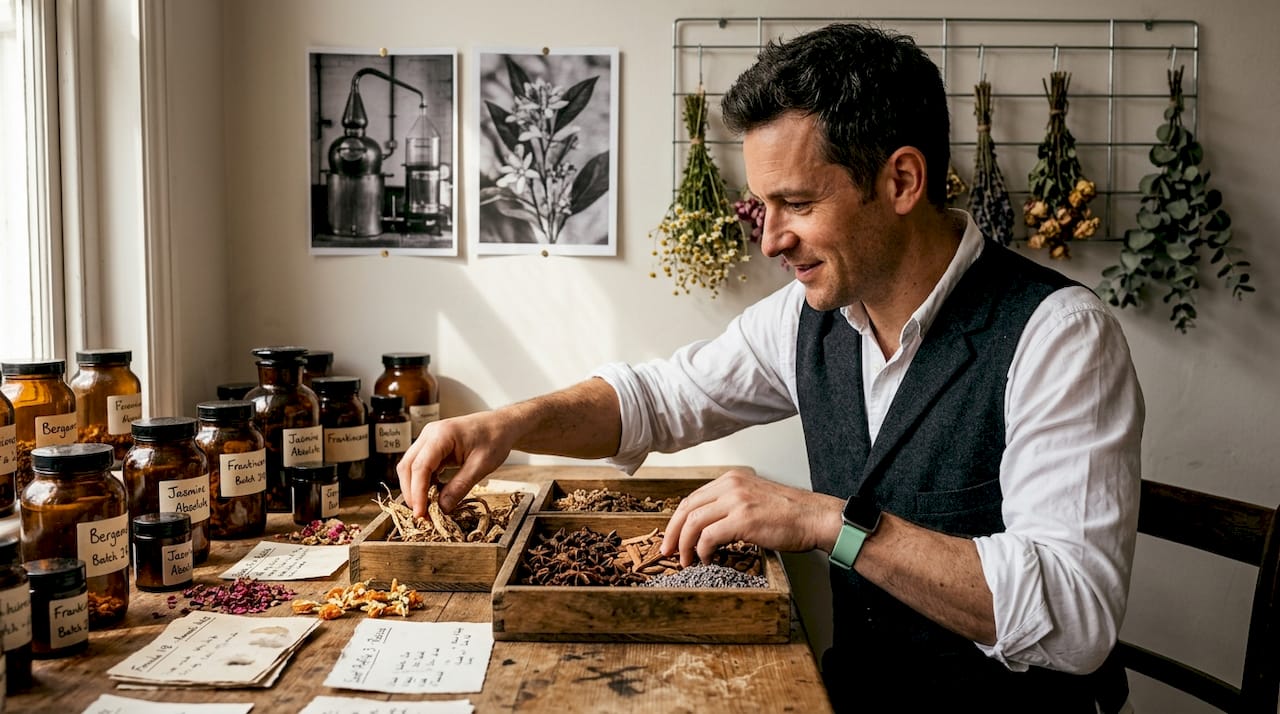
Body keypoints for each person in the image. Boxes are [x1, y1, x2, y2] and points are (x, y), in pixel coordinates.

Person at [399, 23, 1143, 713]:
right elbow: (659, 399)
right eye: (763, 207)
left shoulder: (1061, 337)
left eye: (796, 203)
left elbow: (1077, 621)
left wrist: (827, 523)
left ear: (902, 181)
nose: (772, 241)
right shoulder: (809, 316)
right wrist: (507, 423)